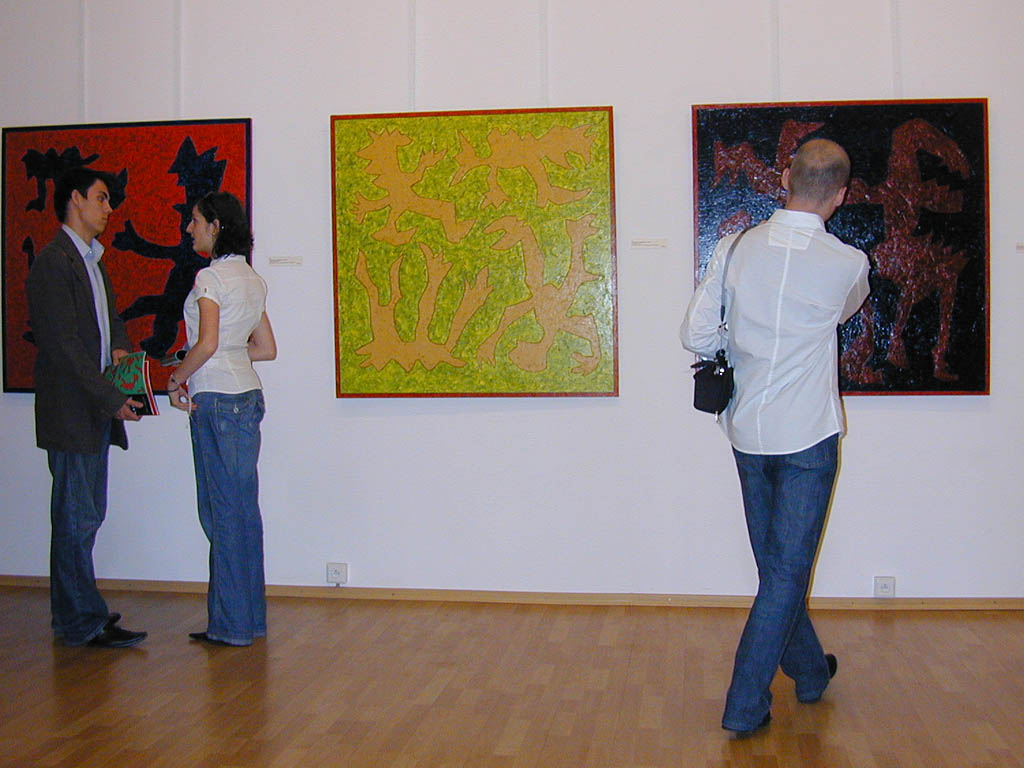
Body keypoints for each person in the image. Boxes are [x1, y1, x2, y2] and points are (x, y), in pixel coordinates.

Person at [680, 139, 870, 734]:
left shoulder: (734, 248)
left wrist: (739, 341)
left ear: (785, 177)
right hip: (808, 434)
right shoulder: (848, 263)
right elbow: (841, 314)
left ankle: (810, 673)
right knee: (784, 574)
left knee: (777, 571)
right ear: (840, 195)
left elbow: (695, 336)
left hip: (747, 431)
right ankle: (744, 704)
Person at [26, 167, 148, 648]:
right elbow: (65, 347)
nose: (109, 208)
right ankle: (80, 621)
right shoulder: (53, 263)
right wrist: (112, 399)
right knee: (76, 519)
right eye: (101, 198)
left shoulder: (93, 260)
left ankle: (78, 613)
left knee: (86, 515)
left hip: (91, 410)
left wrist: (120, 351)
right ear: (75, 199)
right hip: (72, 411)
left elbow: (108, 323)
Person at [167, 191, 276, 647]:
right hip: (247, 396)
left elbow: (208, 343)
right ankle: (249, 620)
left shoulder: (209, 277)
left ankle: (230, 626)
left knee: (221, 514)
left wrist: (177, 378)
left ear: (215, 226)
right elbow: (265, 349)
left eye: (194, 220)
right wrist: (219, 352)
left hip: (216, 400)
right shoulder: (251, 279)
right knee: (243, 512)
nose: (189, 228)